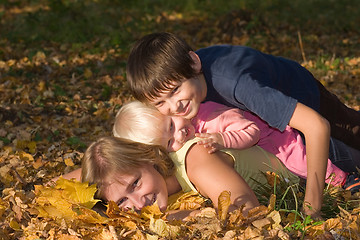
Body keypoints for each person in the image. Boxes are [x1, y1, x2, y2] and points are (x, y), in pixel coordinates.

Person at [125, 32, 360, 217]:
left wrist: (312, 207)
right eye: (160, 102)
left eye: (175, 91)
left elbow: (316, 126)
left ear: (194, 63)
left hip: (305, 100)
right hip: (269, 123)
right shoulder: (188, 86)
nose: (174, 106)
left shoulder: (238, 85)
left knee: (351, 137)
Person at [113, 100, 359, 190]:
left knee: (306, 163)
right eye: (168, 143)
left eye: (171, 126)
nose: (178, 136)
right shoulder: (189, 135)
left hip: (279, 140)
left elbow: (250, 132)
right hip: (269, 152)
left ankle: (344, 181)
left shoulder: (209, 116)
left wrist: (223, 139)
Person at [80, 136, 298, 216]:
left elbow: (248, 212)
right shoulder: (159, 183)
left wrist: (187, 216)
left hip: (305, 173)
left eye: (135, 184)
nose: (139, 203)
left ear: (148, 158)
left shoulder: (196, 160)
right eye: (121, 201)